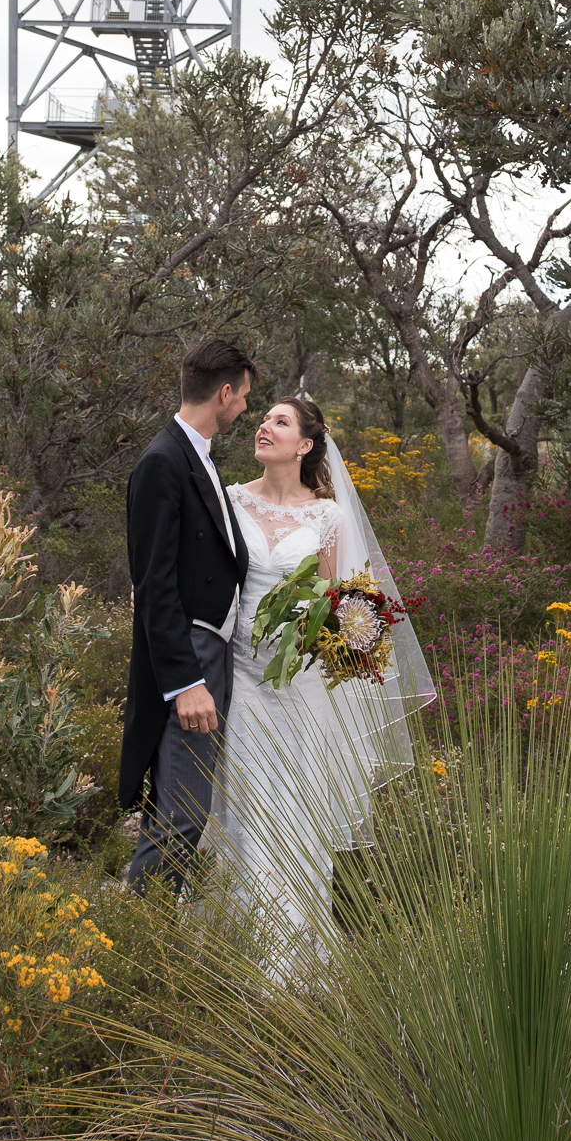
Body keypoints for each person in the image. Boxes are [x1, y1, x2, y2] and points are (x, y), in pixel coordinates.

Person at [208, 395, 435, 947]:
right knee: (246, 804)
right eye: (263, 419)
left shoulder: (327, 516)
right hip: (241, 678)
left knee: (295, 808)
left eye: (279, 422)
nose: (264, 426)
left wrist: (345, 641)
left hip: (302, 685)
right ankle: (240, 941)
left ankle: (293, 953)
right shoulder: (230, 500)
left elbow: (340, 601)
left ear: (306, 445)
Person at [120, 338, 255, 894]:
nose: (245, 407)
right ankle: (134, 948)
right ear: (223, 393)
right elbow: (154, 586)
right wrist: (186, 684)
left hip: (213, 653)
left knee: (181, 813)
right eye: (244, 396)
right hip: (191, 662)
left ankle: (142, 939)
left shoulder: (193, 457)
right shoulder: (161, 461)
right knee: (181, 817)